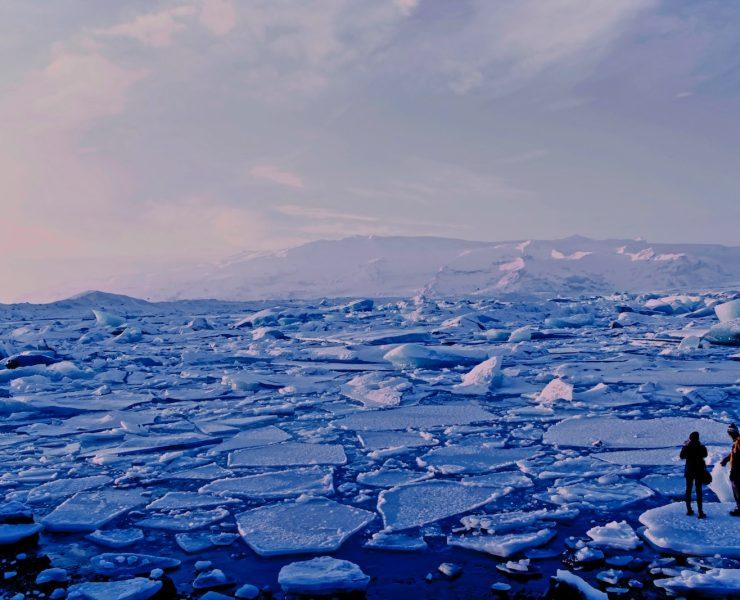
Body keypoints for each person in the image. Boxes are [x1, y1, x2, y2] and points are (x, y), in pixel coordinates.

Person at [680, 431, 707, 518]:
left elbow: (681, 456)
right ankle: (700, 512)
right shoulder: (701, 446)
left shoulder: (687, 447)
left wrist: (685, 446)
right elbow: (705, 454)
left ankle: (689, 510)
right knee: (699, 491)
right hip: (699, 471)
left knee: (688, 490)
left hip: (689, 471)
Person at [720, 423, 740, 517]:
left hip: (737, 470)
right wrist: (726, 459)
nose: (729, 435)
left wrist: (735, 470)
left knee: (737, 489)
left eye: (730, 433)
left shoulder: (739, 442)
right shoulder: (736, 442)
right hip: (735, 469)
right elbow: (734, 454)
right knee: (736, 489)